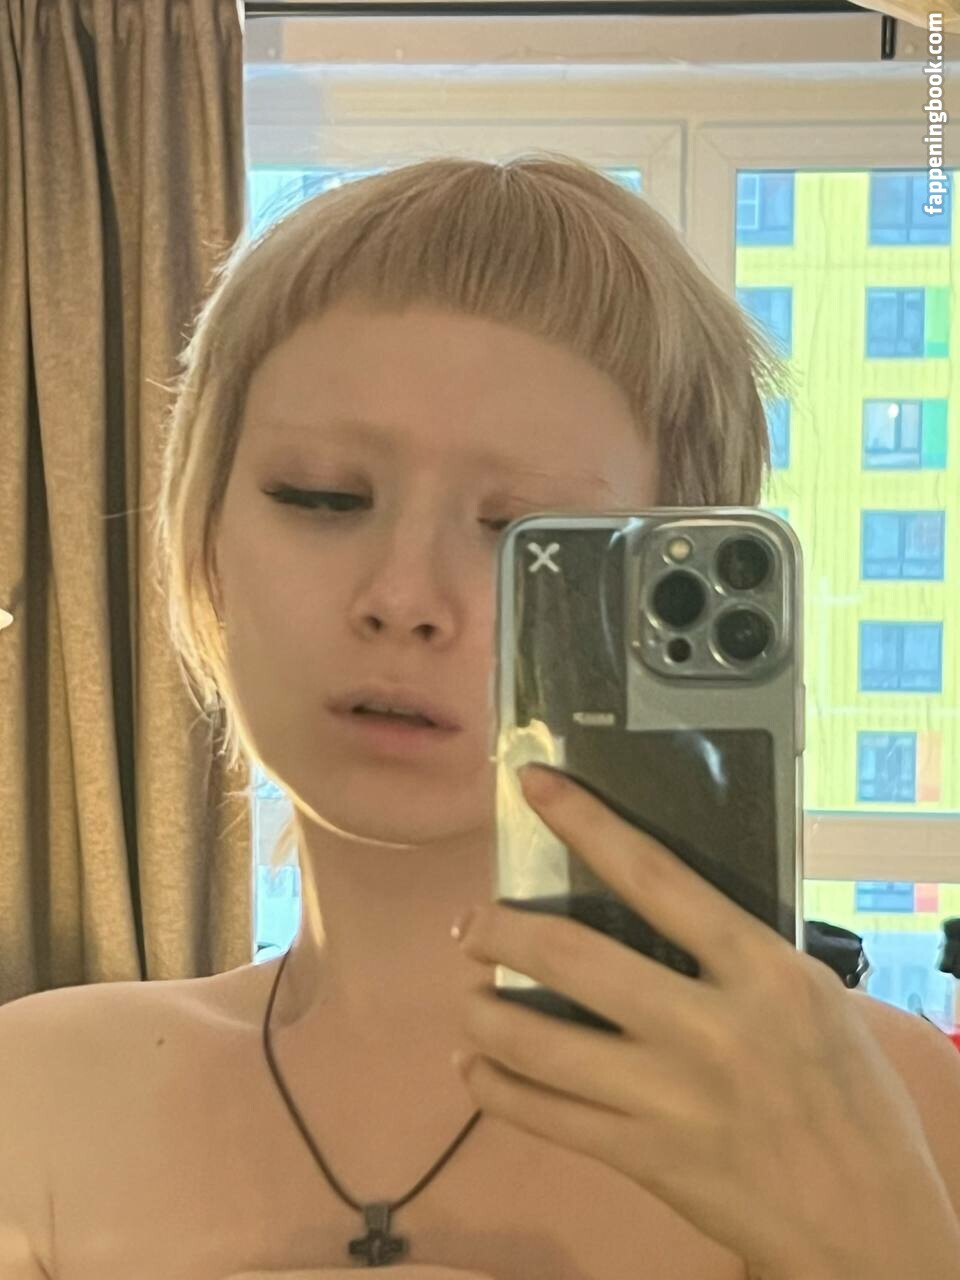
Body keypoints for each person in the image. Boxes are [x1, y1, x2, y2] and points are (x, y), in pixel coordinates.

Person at [3, 153, 958, 1280]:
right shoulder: (35, 1103)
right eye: (322, 495)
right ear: (205, 540)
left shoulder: (890, 1117)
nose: (403, 596)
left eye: (524, 534)